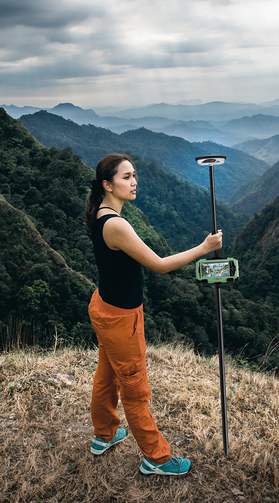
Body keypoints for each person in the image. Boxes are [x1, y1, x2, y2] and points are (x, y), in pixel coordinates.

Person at [84, 153, 223, 477]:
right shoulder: (116, 224)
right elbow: (159, 265)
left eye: (134, 175)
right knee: (135, 390)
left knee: (107, 376)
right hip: (121, 318)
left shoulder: (99, 213)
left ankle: (103, 435)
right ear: (107, 184)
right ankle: (156, 458)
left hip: (103, 306)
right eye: (126, 177)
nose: (134, 182)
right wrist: (204, 248)